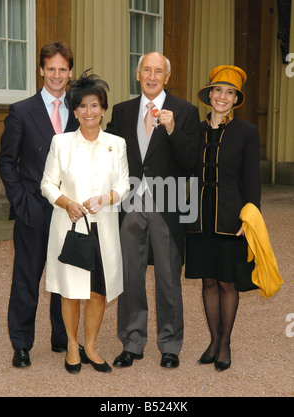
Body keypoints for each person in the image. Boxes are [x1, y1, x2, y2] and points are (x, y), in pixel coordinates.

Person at [106, 52, 200, 368]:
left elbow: (191, 163)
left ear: (167, 77)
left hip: (168, 206)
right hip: (130, 204)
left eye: (158, 71)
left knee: (169, 278)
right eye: (146, 69)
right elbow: (108, 158)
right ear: (137, 73)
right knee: (131, 276)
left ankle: (170, 345)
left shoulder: (186, 112)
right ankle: (132, 342)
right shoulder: (122, 112)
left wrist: (173, 130)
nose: (151, 76)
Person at [40, 72, 130, 374]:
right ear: (74, 111)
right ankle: (72, 345)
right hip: (70, 227)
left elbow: (126, 185)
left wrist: (106, 198)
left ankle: (90, 345)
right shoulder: (61, 143)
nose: (88, 112)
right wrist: (68, 203)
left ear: (103, 109)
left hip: (102, 228)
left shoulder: (116, 144)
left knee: (98, 292)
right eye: (82, 107)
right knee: (70, 290)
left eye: (94, 106)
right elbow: (48, 184)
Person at [0, 41, 79, 368]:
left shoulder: (79, 109)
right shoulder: (21, 111)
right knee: (26, 279)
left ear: (69, 72)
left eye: (63, 69)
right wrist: (20, 199)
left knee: (65, 276)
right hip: (33, 208)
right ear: (41, 70)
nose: (57, 75)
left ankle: (61, 337)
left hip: (68, 209)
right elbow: (6, 162)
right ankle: (21, 343)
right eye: (51, 69)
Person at [185, 65, 261, 371]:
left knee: (228, 282)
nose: (222, 96)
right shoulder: (197, 130)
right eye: (218, 90)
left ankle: (225, 341)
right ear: (209, 94)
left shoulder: (247, 132)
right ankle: (213, 341)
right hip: (200, 218)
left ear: (235, 99)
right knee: (208, 281)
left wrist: (250, 217)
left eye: (229, 92)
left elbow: (252, 180)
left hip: (231, 219)